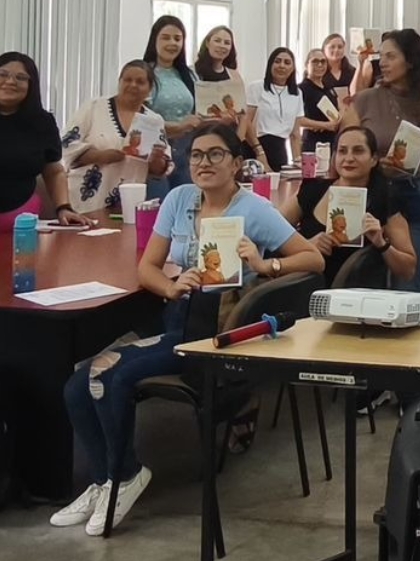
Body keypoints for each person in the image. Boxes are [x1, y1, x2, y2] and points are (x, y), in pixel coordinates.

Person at [53, 123, 322, 536]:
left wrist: (265, 265)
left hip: (218, 332)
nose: (203, 163)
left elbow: (312, 260)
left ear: (236, 163)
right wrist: (172, 285)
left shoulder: (254, 210)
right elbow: (147, 268)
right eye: (196, 155)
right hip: (180, 320)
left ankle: (125, 477)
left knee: (112, 374)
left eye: (215, 154)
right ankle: (107, 480)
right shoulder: (179, 199)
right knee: (77, 383)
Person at [347, 29, 420, 299]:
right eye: (381, 56)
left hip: (413, 192)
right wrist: (372, 161)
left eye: (391, 56)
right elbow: (346, 148)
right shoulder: (364, 100)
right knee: (360, 282)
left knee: (410, 286)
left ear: (410, 61)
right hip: (371, 195)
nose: (382, 62)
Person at [279, 126, 416, 285]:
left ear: (373, 159)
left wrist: (381, 244)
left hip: (355, 298)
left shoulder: (386, 199)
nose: (349, 158)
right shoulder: (312, 190)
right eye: (342, 151)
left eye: (358, 151)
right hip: (304, 290)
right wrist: (306, 246)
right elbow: (272, 235)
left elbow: (408, 270)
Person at [61, 61, 171, 214]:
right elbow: (67, 145)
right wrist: (100, 156)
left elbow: (161, 168)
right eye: (127, 80)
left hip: (128, 205)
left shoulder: (154, 121)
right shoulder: (93, 108)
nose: (133, 85)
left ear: (149, 88)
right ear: (119, 82)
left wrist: (157, 160)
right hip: (84, 201)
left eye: (140, 82)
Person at [0, 52, 92, 229]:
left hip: (21, 219)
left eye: (21, 77)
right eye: (2, 74)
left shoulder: (42, 122)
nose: (10, 81)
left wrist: (63, 208)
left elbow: (53, 170)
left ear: (31, 85)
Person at [143, 16, 199, 190]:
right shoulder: (144, 73)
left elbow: (197, 115)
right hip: (155, 153)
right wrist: (179, 127)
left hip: (187, 152)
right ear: (154, 40)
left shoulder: (189, 75)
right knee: (159, 205)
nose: (172, 43)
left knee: (188, 205)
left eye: (177, 38)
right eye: (165, 37)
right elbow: (139, 120)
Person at [193, 25, 253, 152]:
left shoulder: (235, 75)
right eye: (217, 40)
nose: (222, 45)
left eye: (227, 43)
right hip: (200, 138)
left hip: (229, 139)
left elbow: (243, 115)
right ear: (208, 43)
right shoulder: (192, 72)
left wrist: (237, 142)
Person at [246, 48, 304, 171]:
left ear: (293, 68)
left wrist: (298, 163)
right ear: (270, 64)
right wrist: (259, 153)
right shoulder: (256, 87)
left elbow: (295, 134)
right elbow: (246, 123)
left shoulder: (297, 93)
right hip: (257, 146)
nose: (282, 66)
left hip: (280, 150)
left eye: (287, 62)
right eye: (277, 61)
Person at [297, 49, 340, 155]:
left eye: (323, 61)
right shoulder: (301, 89)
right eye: (315, 61)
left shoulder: (329, 87)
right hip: (312, 143)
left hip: (332, 140)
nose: (320, 65)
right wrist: (324, 125)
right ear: (307, 64)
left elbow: (338, 110)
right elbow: (296, 120)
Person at [322, 33, 356, 99]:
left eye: (340, 47)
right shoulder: (319, 72)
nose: (336, 50)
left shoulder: (352, 71)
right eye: (332, 47)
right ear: (324, 50)